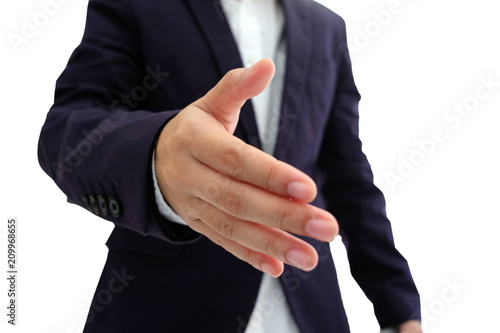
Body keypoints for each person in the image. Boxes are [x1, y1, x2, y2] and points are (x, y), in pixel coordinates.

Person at [37, 0, 422, 332]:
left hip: (309, 307)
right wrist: (155, 155)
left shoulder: (327, 27)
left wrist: (399, 305)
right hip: (163, 306)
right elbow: (68, 128)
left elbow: (350, 179)